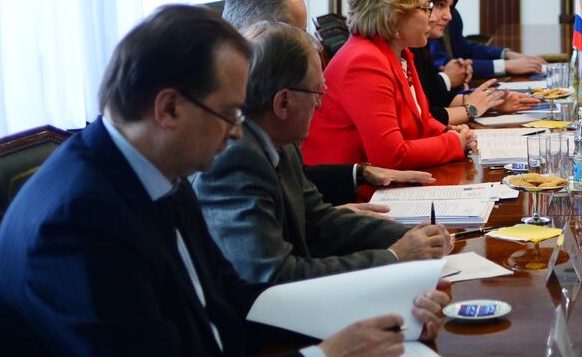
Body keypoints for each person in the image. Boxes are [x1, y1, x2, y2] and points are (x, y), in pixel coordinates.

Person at [0, 5, 447, 357]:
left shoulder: (157, 169)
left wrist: (383, 315)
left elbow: (234, 298)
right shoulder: (81, 220)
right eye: (230, 114)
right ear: (169, 109)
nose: (237, 134)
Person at [194, 21, 452, 284]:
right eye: (318, 92)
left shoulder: (280, 139)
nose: (320, 104)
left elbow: (318, 220)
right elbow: (276, 276)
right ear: (283, 102)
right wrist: (395, 256)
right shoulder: (237, 160)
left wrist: (410, 236)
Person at [222, 0, 434, 206]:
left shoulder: (271, 104)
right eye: (297, 32)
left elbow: (298, 187)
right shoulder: (230, 136)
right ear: (255, 32)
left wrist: (358, 173)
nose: (306, 43)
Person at [304, 0, 472, 177]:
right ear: (393, 15)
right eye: (425, 8)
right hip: (356, 194)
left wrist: (449, 132)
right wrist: (453, 143)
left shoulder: (400, 52)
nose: (431, 17)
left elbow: (421, 121)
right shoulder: (363, 62)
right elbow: (391, 156)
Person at [422, 0, 538, 124]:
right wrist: (471, 109)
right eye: (438, 5)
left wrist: (493, 102)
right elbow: (423, 114)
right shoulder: (412, 45)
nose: (447, 15)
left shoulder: (424, 41)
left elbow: (437, 96)